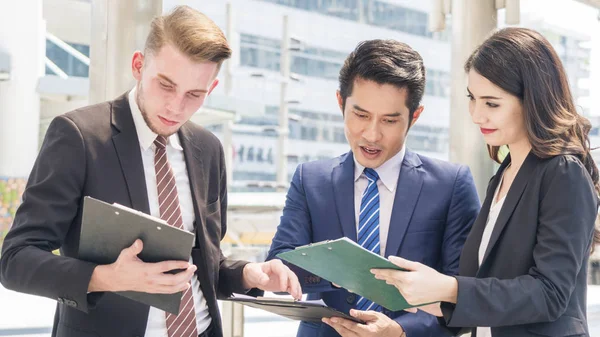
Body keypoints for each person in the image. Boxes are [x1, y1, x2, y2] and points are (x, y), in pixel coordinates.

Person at [0, 6, 301, 337]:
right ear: (138, 66)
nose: (176, 106)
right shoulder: (78, 137)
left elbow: (202, 263)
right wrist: (104, 277)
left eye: (194, 95)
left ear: (210, 90)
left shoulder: (208, 149)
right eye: (166, 85)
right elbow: (15, 260)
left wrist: (248, 273)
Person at [372, 27, 600, 337]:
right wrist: (424, 293)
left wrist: (449, 288)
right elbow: (488, 295)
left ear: (532, 100)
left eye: (492, 103)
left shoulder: (562, 172)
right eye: (472, 99)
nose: (477, 115)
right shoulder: (503, 175)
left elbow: (550, 294)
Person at [266, 39, 481, 337]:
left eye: (390, 120)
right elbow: (281, 263)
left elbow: (467, 299)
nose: (372, 134)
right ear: (341, 103)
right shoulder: (310, 179)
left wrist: (401, 332)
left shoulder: (451, 185)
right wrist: (319, 273)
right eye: (361, 115)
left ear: (414, 116)